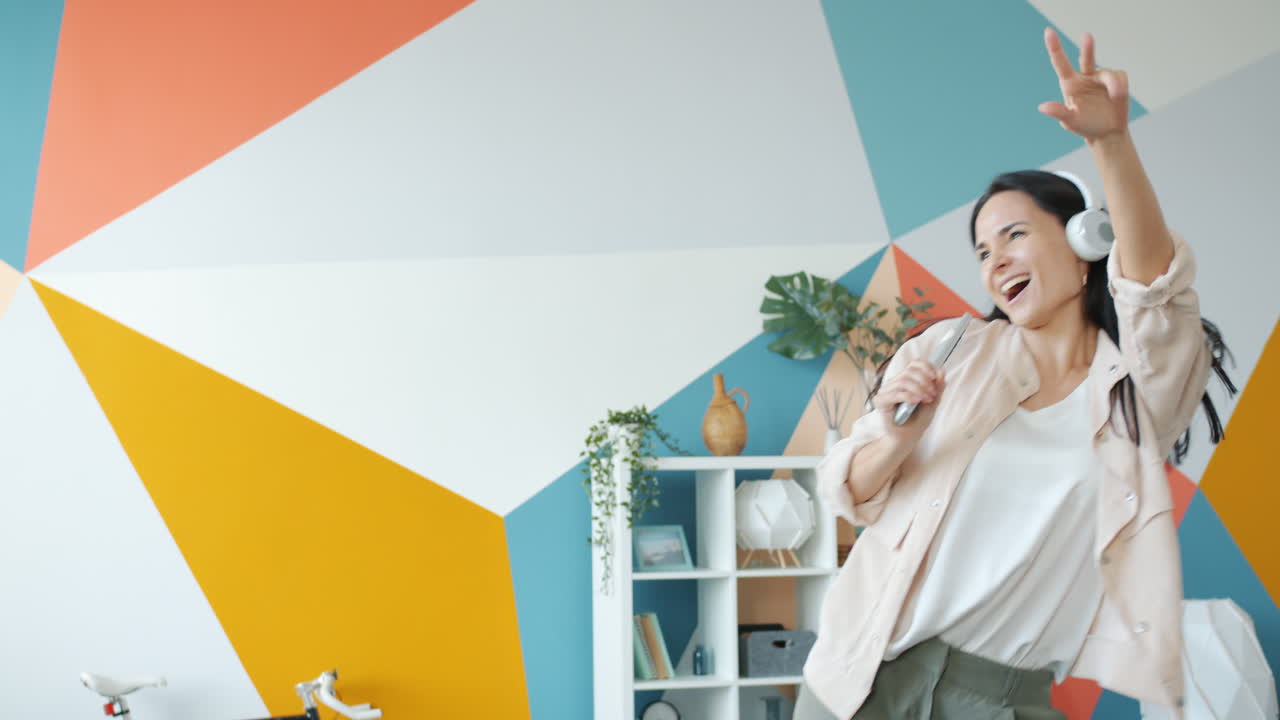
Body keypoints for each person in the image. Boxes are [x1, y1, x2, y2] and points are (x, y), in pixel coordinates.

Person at [795, 27, 1235, 720]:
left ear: (1086, 242)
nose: (994, 260)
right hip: (862, 674)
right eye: (981, 250)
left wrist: (1110, 143)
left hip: (1002, 695)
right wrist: (897, 438)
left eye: (1015, 235)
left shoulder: (1138, 392)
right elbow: (845, 490)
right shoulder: (951, 350)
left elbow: (1155, 286)